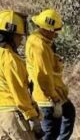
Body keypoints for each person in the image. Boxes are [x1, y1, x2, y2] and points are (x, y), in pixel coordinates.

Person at [26, 9, 75, 139]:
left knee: (69, 113)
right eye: (55, 31)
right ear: (48, 30)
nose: (56, 35)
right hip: (47, 98)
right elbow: (43, 76)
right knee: (51, 131)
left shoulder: (40, 41)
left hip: (55, 92)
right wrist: (54, 98)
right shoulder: (40, 47)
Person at [0, 10, 43, 140]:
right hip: (13, 114)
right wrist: (33, 117)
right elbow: (19, 91)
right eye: (19, 36)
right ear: (10, 36)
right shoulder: (10, 59)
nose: (21, 40)